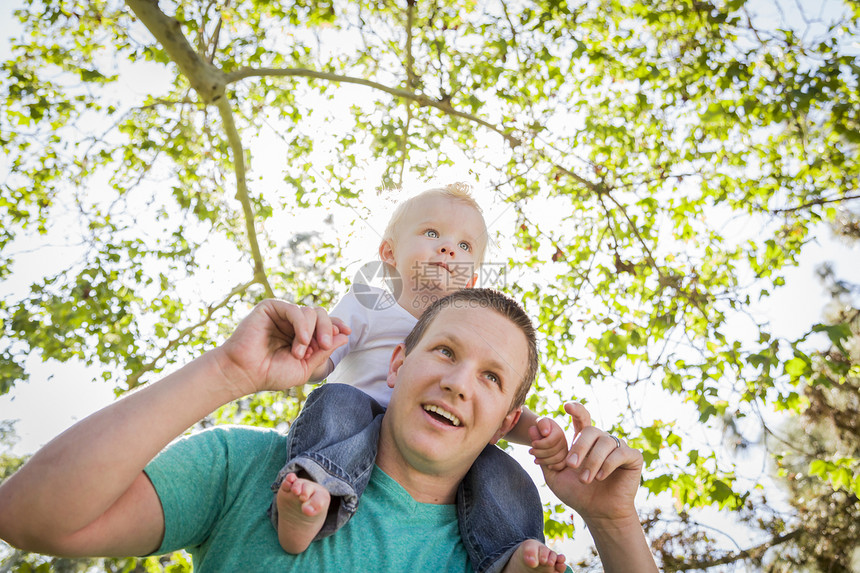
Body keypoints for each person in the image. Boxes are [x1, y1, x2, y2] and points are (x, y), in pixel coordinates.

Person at [0, 289, 659, 573]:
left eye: (492, 377)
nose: (459, 381)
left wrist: (615, 520)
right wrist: (228, 371)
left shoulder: (506, 558)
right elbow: (31, 516)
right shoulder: (252, 469)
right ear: (398, 363)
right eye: (445, 352)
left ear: (505, 422)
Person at [272, 183, 567, 573]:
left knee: (495, 466)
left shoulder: (469, 330)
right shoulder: (369, 302)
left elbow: (494, 407)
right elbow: (328, 355)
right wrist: (307, 357)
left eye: (464, 247)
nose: (448, 249)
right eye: (432, 234)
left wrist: (538, 433)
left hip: (435, 429)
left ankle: (508, 553)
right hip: (355, 425)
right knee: (337, 400)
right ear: (389, 253)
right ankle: (316, 491)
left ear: (471, 279)